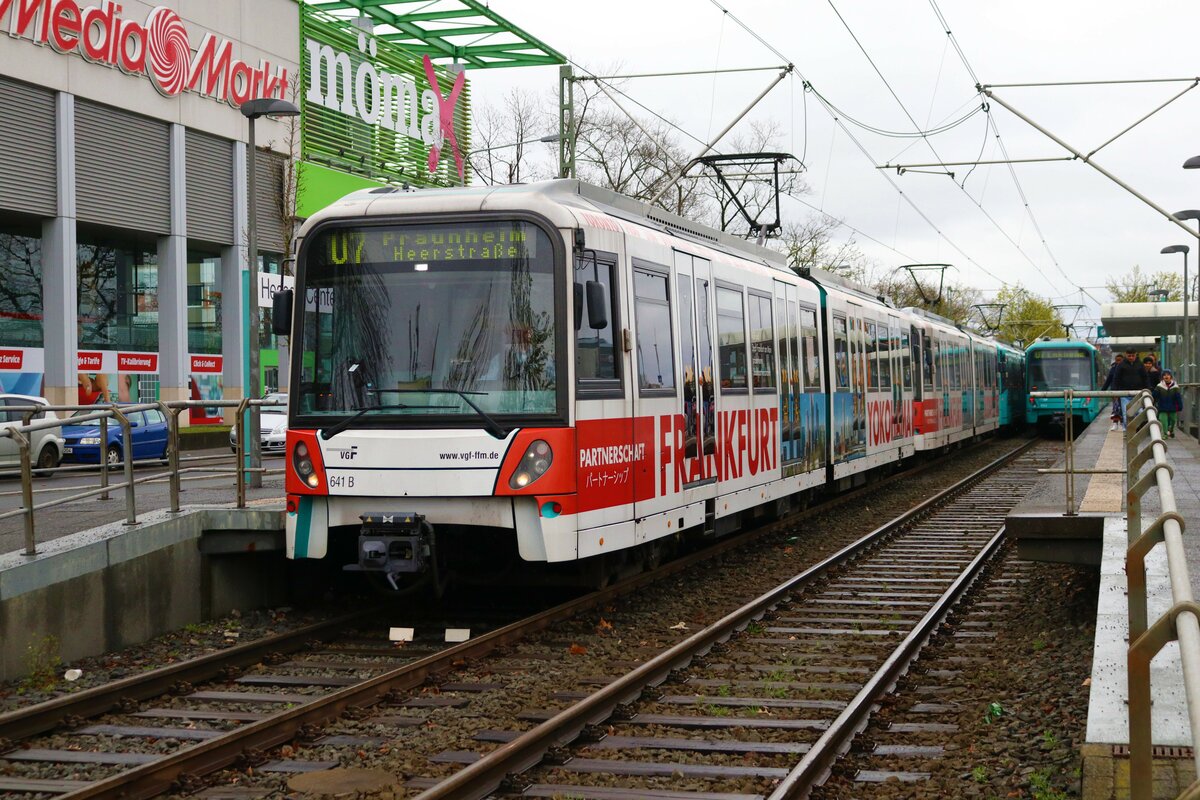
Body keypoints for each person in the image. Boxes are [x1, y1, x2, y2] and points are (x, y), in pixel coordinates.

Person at [1113, 348, 1150, 430]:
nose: (1131, 357)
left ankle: (1134, 429)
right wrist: (1115, 392)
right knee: (1126, 414)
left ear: (1135, 355)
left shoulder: (1140, 365)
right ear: (1126, 355)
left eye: (1132, 355)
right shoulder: (1121, 365)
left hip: (1137, 394)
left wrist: (1147, 389)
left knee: (1139, 412)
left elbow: (1145, 378)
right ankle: (1127, 430)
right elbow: (1116, 379)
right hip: (1124, 394)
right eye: (1129, 356)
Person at [1153, 369, 1183, 438]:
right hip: (1162, 407)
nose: (1166, 376)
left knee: (1173, 420)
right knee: (1163, 421)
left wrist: (1180, 406)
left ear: (1171, 377)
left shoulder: (1175, 387)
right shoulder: (1159, 386)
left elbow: (1178, 398)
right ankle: (1165, 434)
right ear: (1162, 377)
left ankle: (1171, 430)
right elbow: (1154, 396)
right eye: (1164, 375)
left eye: (1168, 375)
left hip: (1172, 407)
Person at [1101, 353, 1125, 431]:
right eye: (1117, 360)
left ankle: (1123, 423)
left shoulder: (1126, 368)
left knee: (1123, 408)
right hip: (1114, 391)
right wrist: (1103, 390)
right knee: (1116, 407)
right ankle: (1115, 423)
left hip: (1124, 391)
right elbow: (1108, 380)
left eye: (1120, 360)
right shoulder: (1113, 368)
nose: (1118, 362)